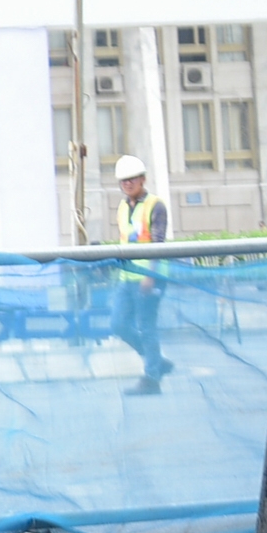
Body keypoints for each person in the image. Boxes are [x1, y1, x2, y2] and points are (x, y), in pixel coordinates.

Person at [110, 154, 174, 396]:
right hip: (127, 278)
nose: (127, 184)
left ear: (143, 180)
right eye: (123, 180)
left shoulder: (155, 205)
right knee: (118, 324)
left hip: (150, 277)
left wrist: (150, 275)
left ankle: (152, 379)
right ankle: (156, 360)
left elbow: (157, 242)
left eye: (132, 179)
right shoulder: (123, 206)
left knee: (147, 326)